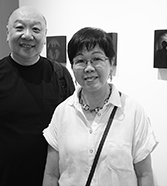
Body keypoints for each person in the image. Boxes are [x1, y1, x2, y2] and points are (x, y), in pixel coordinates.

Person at [0, 6, 75, 186]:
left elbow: (69, 126)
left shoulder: (60, 75)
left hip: (48, 178)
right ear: (8, 33)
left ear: (45, 36)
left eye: (36, 29)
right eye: (19, 28)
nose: (27, 35)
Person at [43, 27, 159, 186]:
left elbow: (144, 175)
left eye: (96, 59)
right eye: (80, 61)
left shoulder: (133, 111)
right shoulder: (62, 112)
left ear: (111, 63)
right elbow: (51, 175)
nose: (89, 67)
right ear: (72, 67)